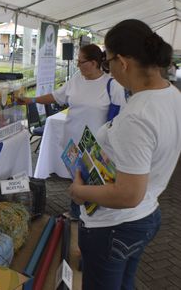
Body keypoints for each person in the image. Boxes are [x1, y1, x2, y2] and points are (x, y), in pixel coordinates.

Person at [69, 19, 181, 289]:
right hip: (145, 215)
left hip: (114, 226)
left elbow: (129, 194)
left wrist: (79, 192)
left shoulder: (137, 116)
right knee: (125, 283)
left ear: (123, 62)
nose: (108, 70)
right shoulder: (171, 94)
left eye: (107, 62)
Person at [17, 44, 127, 219]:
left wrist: (111, 146)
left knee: (93, 183)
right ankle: (76, 212)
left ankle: (92, 217)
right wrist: (31, 100)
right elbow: (56, 96)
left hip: (95, 146)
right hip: (72, 142)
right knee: (76, 179)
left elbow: (120, 118)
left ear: (93, 63)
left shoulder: (112, 85)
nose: (77, 65)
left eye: (81, 61)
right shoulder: (76, 79)